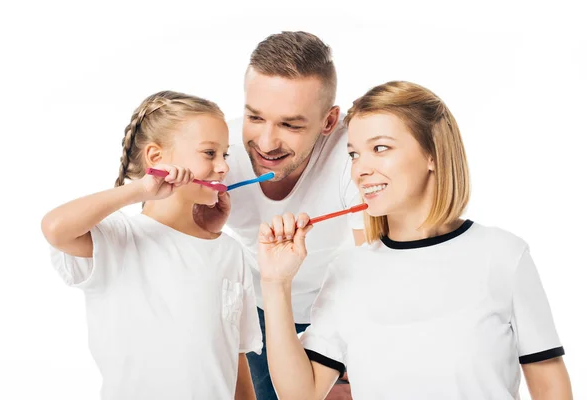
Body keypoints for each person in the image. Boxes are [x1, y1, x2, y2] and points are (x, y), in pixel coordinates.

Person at [257, 81, 573, 399]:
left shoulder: (503, 255)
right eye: (354, 154)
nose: (360, 170)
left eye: (380, 148)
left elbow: (550, 387)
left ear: (432, 154)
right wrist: (275, 283)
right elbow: (300, 394)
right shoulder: (348, 269)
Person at [41, 91, 262, 400]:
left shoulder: (230, 252)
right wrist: (140, 189)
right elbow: (55, 228)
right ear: (157, 159)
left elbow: (236, 359)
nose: (224, 167)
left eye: (225, 155)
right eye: (209, 153)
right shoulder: (119, 238)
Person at [194, 31, 362, 399]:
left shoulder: (354, 152)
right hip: (258, 305)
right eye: (255, 117)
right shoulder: (220, 154)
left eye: (290, 125)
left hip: (336, 305)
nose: (267, 143)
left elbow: (380, 258)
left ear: (329, 121)